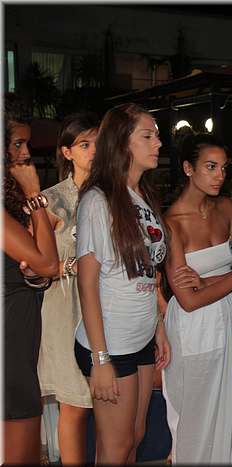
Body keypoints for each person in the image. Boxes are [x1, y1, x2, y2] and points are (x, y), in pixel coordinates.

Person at [74, 103, 171, 464]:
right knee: (115, 449)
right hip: (110, 343)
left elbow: (148, 273)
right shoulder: (98, 200)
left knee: (135, 438)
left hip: (140, 337)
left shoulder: (143, 196)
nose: (158, 143)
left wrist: (158, 326)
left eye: (157, 135)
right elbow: (87, 284)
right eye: (148, 136)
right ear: (121, 142)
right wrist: (100, 360)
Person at [161, 133, 232, 463]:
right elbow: (188, 301)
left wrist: (209, 280)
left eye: (223, 168)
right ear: (188, 168)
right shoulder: (171, 224)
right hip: (193, 327)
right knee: (193, 412)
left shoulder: (226, 208)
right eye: (210, 167)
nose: (219, 176)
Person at [37, 112, 99, 465]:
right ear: (67, 152)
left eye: (99, 143)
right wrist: (72, 266)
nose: (94, 151)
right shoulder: (52, 200)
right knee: (74, 405)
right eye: (85, 144)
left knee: (109, 404)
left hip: (108, 307)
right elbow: (32, 263)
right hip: (65, 309)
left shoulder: (116, 196)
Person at [3, 106, 59, 464]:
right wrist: (36, 194)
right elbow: (49, 263)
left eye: (27, 144)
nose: (26, 153)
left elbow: (42, 265)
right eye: (17, 144)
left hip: (19, 340)